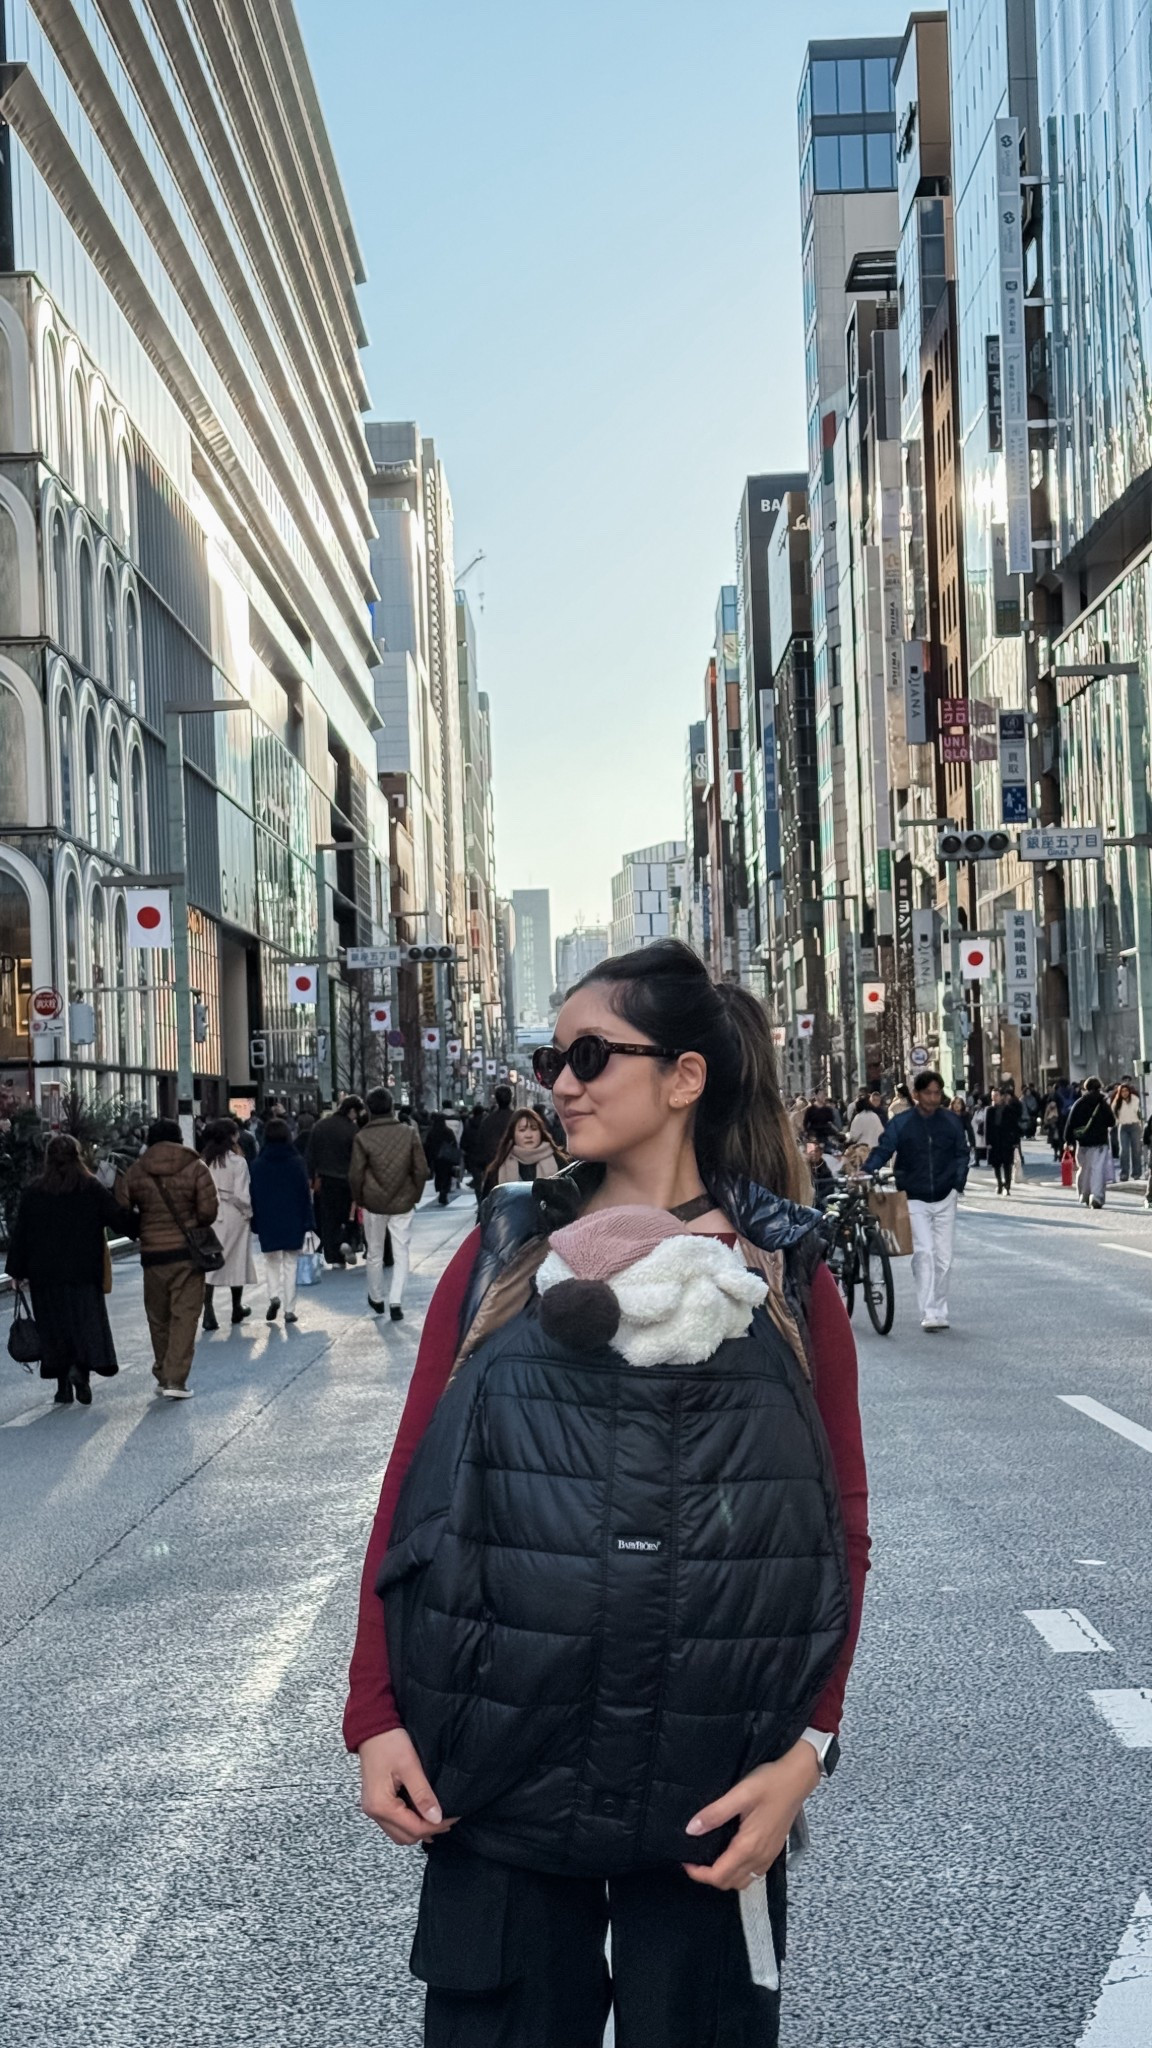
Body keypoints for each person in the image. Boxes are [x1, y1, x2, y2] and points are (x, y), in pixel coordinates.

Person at [345, 937, 869, 2048]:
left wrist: (808, 1751)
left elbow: (839, 1530)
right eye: (553, 1058)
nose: (562, 1084)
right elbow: (414, 1493)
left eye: (591, 1055)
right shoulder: (503, 1252)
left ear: (686, 1076)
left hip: (719, 1778)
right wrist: (376, 1713)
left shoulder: (786, 1269)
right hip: (496, 1760)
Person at [4, 1134, 135, 1406]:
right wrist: (141, 1221)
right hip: (84, 1271)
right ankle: (81, 1373)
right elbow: (117, 1217)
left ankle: (62, 1385)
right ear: (77, 1156)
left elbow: (22, 1234)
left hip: (45, 1275)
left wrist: (16, 1271)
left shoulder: (35, 1191)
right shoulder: (91, 1187)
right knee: (83, 1324)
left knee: (54, 1327)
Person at [863, 1070, 969, 1332]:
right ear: (916, 1094)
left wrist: (957, 1183)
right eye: (928, 1093)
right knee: (924, 1252)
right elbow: (884, 1149)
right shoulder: (902, 1123)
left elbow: (962, 1153)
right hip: (913, 1196)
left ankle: (940, 1308)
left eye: (937, 1093)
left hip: (945, 1195)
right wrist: (866, 1170)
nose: (933, 1098)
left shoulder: (951, 1121)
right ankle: (929, 1311)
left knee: (944, 1258)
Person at [126, 1118, 218, 1399]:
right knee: (185, 1315)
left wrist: (143, 1226)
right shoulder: (196, 1167)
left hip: (152, 1254)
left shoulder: (136, 1170)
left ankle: (162, 1371)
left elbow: (122, 1208)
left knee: (158, 1317)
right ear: (179, 1138)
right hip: (187, 1254)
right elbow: (208, 1211)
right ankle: (175, 1380)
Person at [348, 1087, 429, 1320]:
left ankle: (376, 1297)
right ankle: (396, 1300)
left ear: (369, 1109)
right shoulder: (408, 1133)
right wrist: (414, 1195)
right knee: (401, 1251)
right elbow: (421, 1169)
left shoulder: (362, 1137)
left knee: (374, 1251)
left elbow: (355, 1174)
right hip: (403, 1200)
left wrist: (360, 1198)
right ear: (392, 1106)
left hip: (373, 1202)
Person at [249, 1118, 315, 1324]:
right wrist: (308, 1220)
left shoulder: (258, 1165)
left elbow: (254, 1195)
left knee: (271, 1261)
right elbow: (304, 1193)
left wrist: (255, 1220)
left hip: (268, 1218)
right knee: (291, 1263)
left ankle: (273, 1296)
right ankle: (289, 1309)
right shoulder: (296, 1162)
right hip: (292, 1216)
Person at [199, 1118, 256, 1329]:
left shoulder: (203, 1161)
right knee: (237, 1259)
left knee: (209, 1261)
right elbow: (242, 1195)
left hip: (209, 1213)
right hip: (233, 1214)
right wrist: (248, 1212)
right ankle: (236, 1307)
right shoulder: (238, 1162)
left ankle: (208, 1311)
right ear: (232, 1136)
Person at [306, 1096, 363, 1266]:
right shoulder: (353, 1130)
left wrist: (311, 1178)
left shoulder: (320, 1126)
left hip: (325, 1180)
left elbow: (310, 1155)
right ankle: (346, 1241)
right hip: (348, 1180)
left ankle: (333, 1256)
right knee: (349, 1216)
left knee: (328, 1219)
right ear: (351, 1110)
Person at [483, 1107, 567, 1192]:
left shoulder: (560, 1164)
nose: (528, 1135)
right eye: (522, 1130)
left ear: (541, 1133)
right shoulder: (497, 1170)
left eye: (534, 1129)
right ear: (513, 1134)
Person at [1064, 1078, 1117, 1209]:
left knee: (1084, 1168)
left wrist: (1068, 1140)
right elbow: (1111, 1121)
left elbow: (1070, 1123)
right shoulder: (1102, 1104)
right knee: (1097, 1170)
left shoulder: (1080, 1103)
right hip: (1100, 1142)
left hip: (1083, 1142)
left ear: (1086, 1088)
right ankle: (1096, 1197)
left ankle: (1084, 1194)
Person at [985, 1086, 1023, 1195]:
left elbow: (1014, 1126)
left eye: (996, 1095)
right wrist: (988, 1142)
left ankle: (1007, 1186)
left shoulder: (1008, 1109)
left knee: (1007, 1164)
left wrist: (1015, 1141)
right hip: (994, 1140)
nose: (994, 1098)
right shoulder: (990, 1110)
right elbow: (987, 1127)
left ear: (1001, 1096)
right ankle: (999, 1184)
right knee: (996, 1164)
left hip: (1006, 1140)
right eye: (993, 1096)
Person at [425, 1111, 463, 1206]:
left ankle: (440, 1189)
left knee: (438, 1175)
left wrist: (429, 1158)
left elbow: (427, 1146)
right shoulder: (448, 1131)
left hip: (436, 1157)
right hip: (446, 1157)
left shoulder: (432, 1132)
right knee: (447, 1175)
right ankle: (444, 1191)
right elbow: (454, 1144)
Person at [476, 1083, 515, 1174]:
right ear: (511, 1098)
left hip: (493, 1164)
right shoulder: (518, 1118)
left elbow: (481, 1144)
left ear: (496, 1099)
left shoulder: (487, 1121)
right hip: (515, 1164)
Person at [1111, 1082, 1143, 1182]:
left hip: (1134, 1125)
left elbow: (1137, 1111)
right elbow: (1113, 1113)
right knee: (1124, 1151)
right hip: (1123, 1126)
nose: (1125, 1093)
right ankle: (1124, 1173)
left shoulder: (1134, 1099)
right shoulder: (1117, 1101)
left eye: (1126, 1091)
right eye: (1122, 1091)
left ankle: (1136, 1173)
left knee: (1136, 1150)